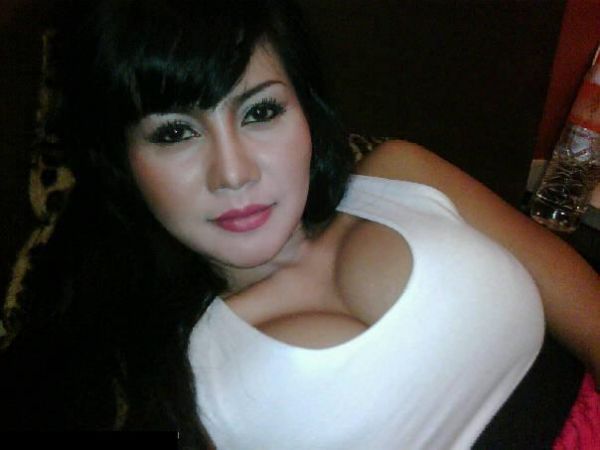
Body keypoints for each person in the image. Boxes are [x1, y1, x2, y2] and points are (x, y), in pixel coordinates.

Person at [0, 0, 598, 448]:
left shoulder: (403, 173)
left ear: (306, 111)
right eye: (175, 132)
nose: (233, 173)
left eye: (260, 111)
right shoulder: (144, 385)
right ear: (123, 161)